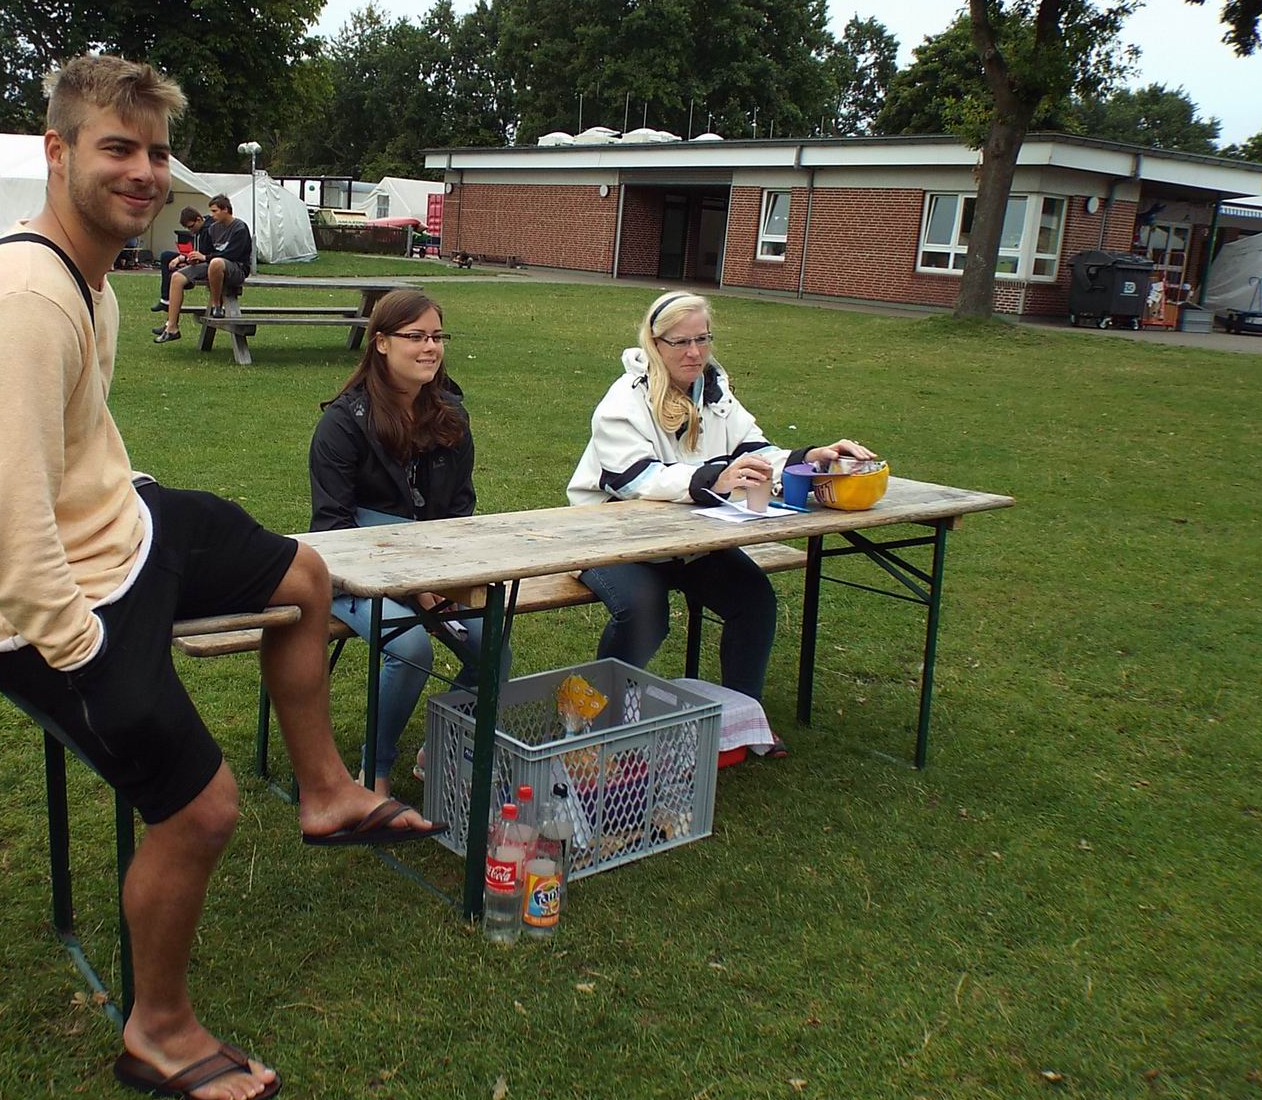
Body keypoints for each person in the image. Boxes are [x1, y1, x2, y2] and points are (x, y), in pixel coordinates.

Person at [0, 54, 441, 1100]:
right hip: (42, 604)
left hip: (119, 531)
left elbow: (70, 451)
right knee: (199, 811)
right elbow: (9, 537)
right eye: (116, 147)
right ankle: (155, 1031)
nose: (143, 171)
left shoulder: (85, 277)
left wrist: (138, 503)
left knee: (303, 574)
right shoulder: (23, 300)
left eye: (155, 152)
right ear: (56, 152)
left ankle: (327, 791)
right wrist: (91, 657)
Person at [566, 291, 875, 746]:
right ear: (655, 343)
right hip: (612, 537)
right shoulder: (623, 401)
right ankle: (588, 722)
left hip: (689, 539)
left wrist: (810, 458)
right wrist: (716, 478)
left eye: (703, 339)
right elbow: (633, 479)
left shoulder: (715, 391)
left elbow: (755, 451)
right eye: (680, 342)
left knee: (754, 599)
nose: (694, 352)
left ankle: (738, 722)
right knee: (646, 612)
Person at [309, 290, 511, 795]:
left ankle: (442, 747)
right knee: (411, 647)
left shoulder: (450, 415)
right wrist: (414, 585)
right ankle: (373, 772)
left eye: (437, 336)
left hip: (435, 569)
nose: (430, 347)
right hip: (349, 572)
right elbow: (332, 529)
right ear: (381, 343)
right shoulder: (342, 423)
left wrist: (445, 578)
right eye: (416, 336)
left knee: (493, 648)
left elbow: (459, 509)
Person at [151, 193, 254, 343]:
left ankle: (216, 305)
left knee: (216, 263)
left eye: (214, 211)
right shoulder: (213, 229)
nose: (211, 215)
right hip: (213, 265)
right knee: (177, 277)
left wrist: (205, 257)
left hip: (237, 268)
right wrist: (192, 259)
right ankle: (171, 327)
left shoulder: (240, 228)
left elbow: (232, 255)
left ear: (225, 209)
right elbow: (206, 252)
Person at [150, 204, 205, 307]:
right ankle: (165, 299)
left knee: (174, 273)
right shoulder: (198, 229)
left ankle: (184, 280)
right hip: (195, 259)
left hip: (203, 263)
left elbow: (202, 255)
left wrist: (182, 260)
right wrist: (182, 258)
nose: (190, 230)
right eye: (188, 228)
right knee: (166, 256)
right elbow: (195, 252)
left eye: (191, 226)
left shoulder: (208, 230)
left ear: (199, 220)